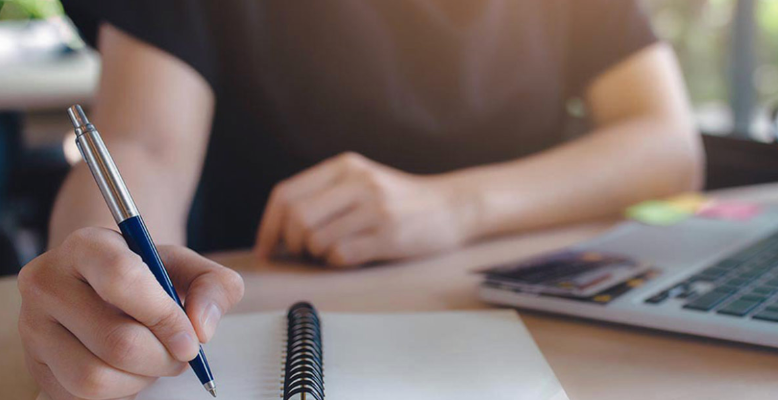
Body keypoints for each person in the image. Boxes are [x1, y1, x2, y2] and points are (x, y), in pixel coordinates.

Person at [18, 1, 704, 399]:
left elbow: (669, 144)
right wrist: (103, 287)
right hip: (264, 309)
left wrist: (455, 205)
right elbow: (143, 144)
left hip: (528, 314)